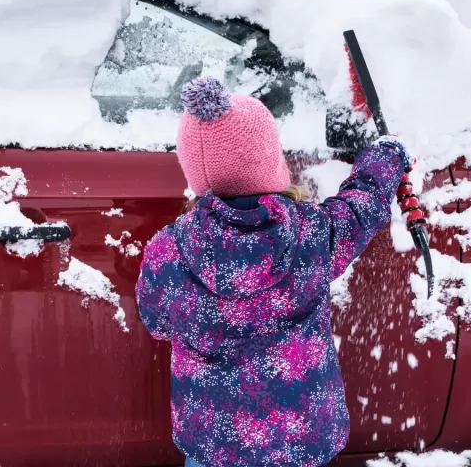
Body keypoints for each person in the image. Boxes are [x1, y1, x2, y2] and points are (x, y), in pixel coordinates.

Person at [136, 76, 409, 467]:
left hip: (215, 445)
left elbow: (157, 321)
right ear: (268, 159)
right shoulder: (312, 233)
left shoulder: (169, 250)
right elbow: (361, 205)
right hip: (300, 438)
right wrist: (388, 155)